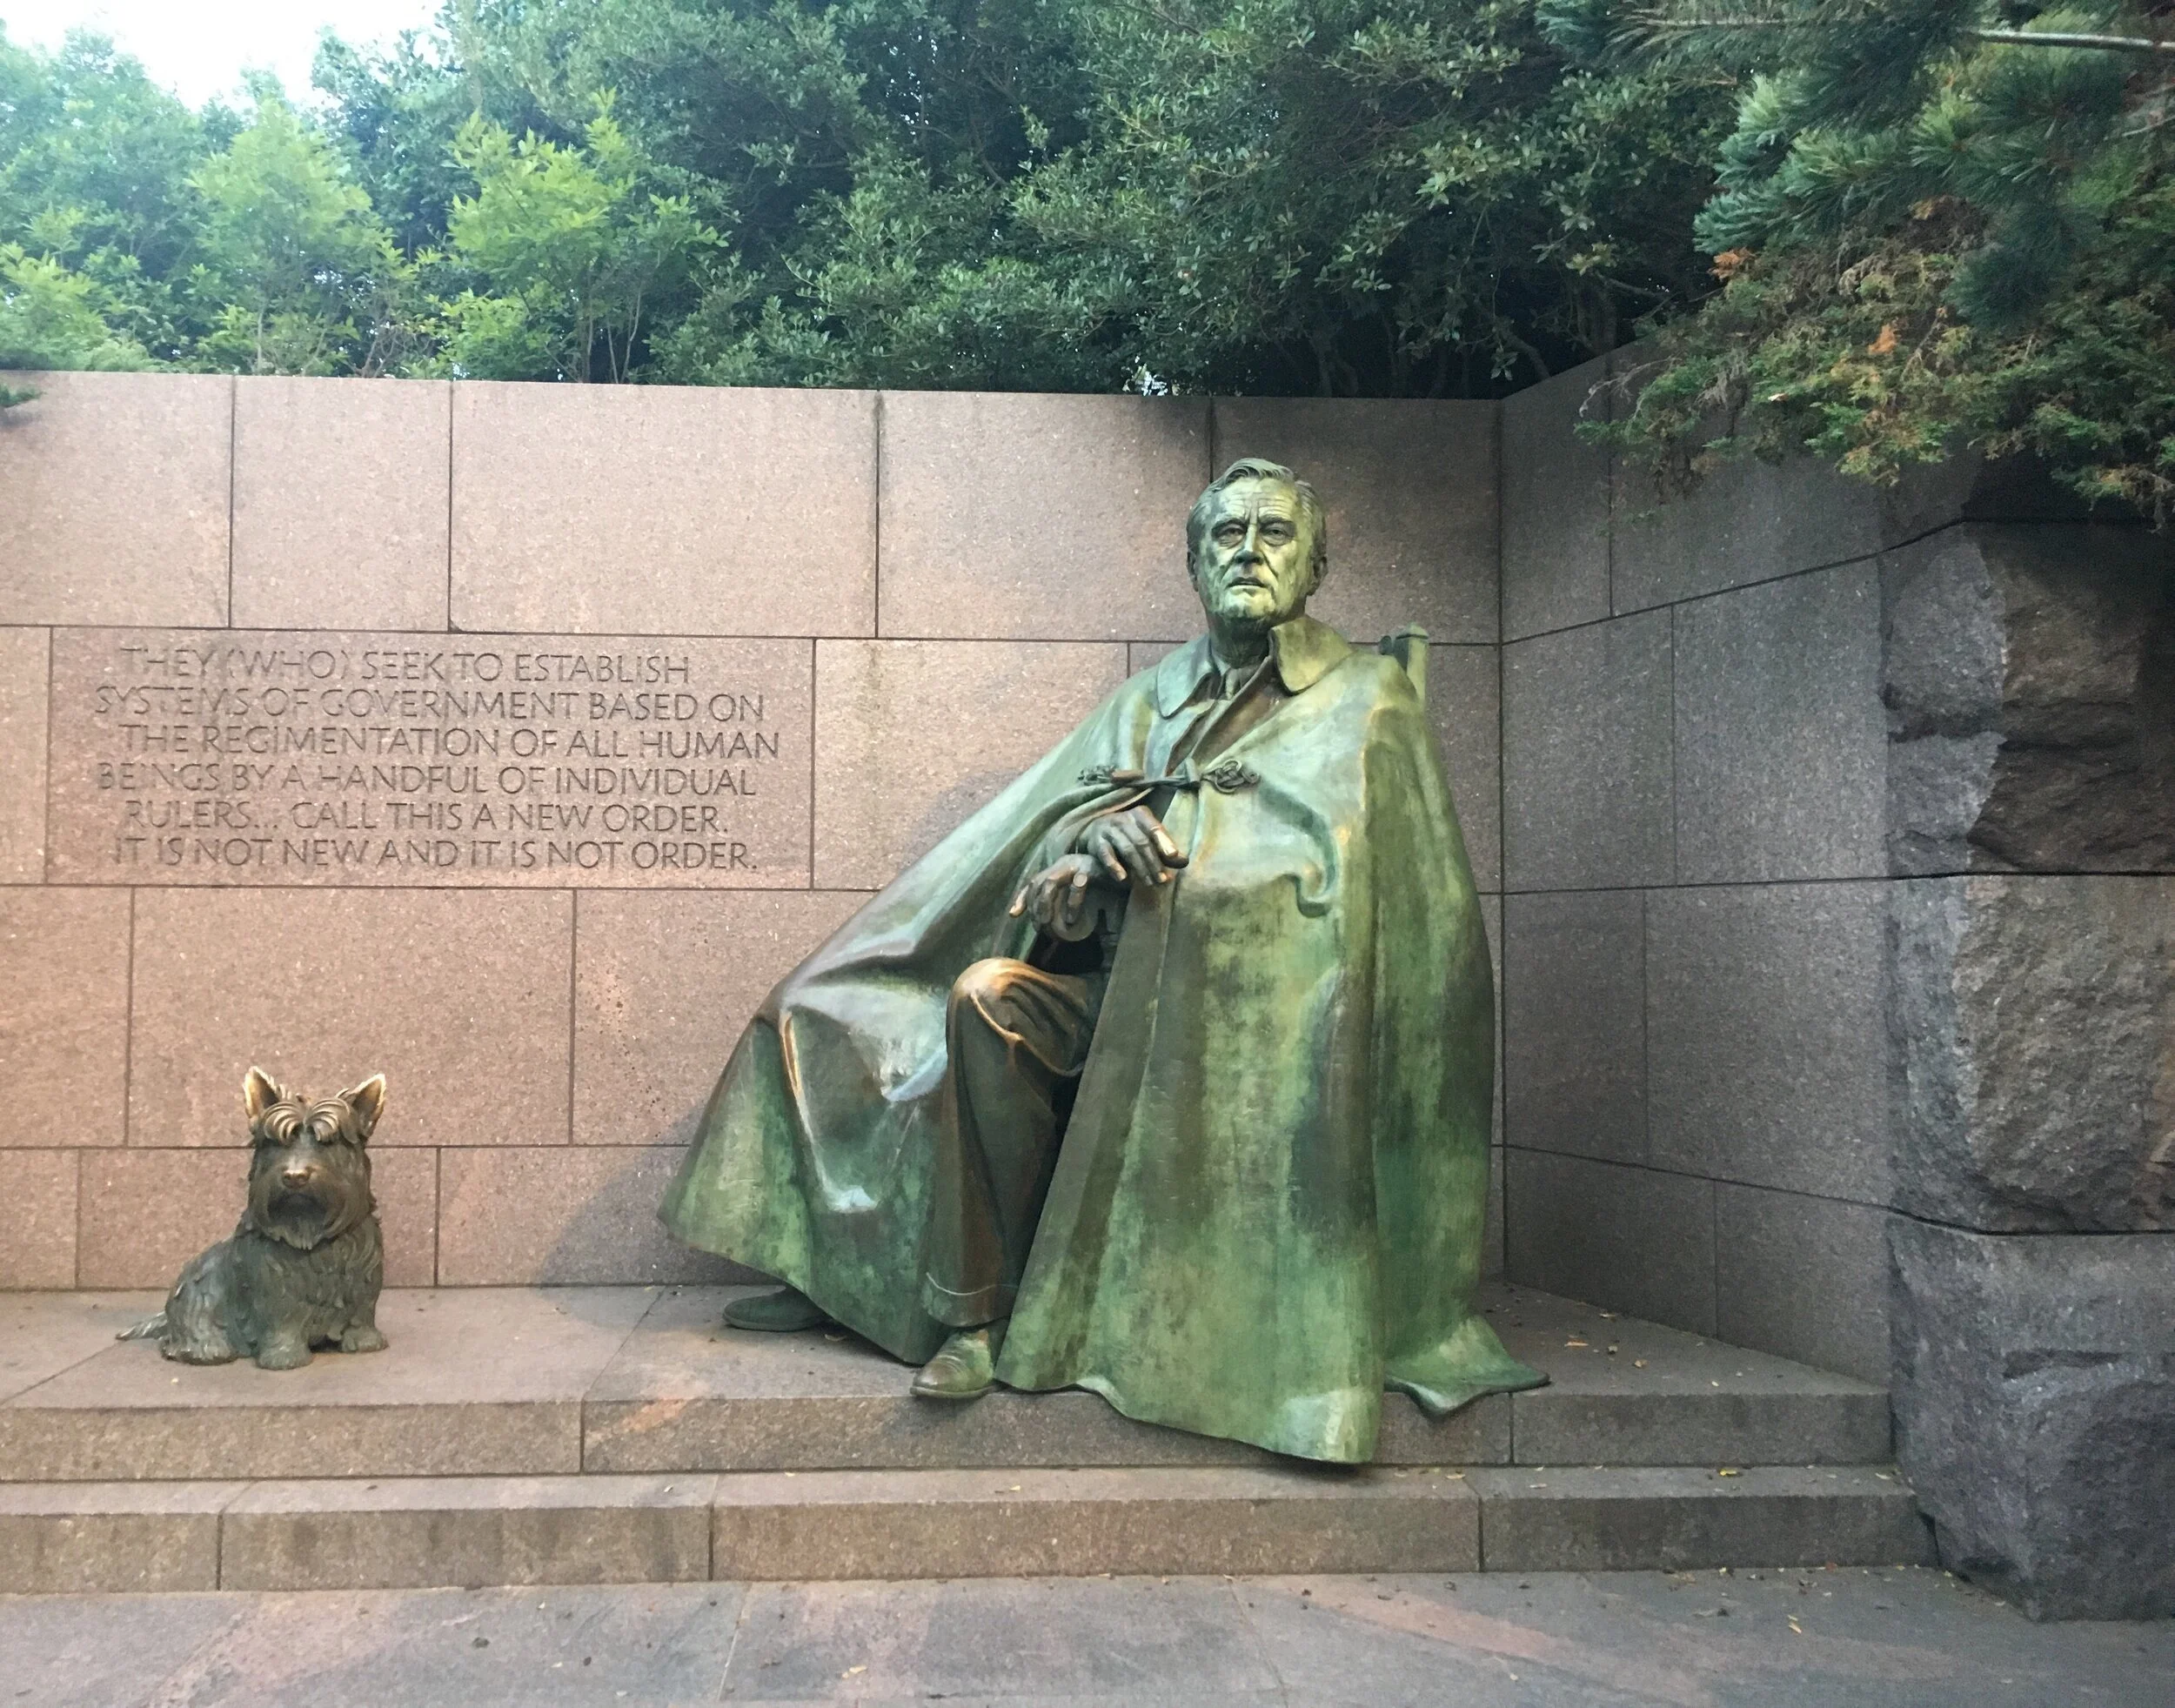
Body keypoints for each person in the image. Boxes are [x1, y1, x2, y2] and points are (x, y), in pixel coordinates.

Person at [659, 458, 1542, 1463]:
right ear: (1195, 562)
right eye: (1227, 534)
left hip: (1244, 1037)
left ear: (1316, 562)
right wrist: (1080, 863)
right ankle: (956, 1309)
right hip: (1105, 998)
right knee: (948, 998)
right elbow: (1044, 836)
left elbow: (1389, 918)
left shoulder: (1368, 699)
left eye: (1274, 534)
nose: (1249, 551)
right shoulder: (1147, 698)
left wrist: (1186, 867)